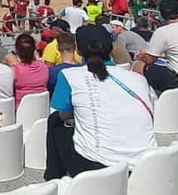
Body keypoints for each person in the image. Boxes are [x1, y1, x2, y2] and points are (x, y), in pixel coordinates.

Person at [45, 25, 157, 179]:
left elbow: (61, 114)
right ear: (111, 48)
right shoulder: (138, 79)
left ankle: (53, 176)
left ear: (78, 50)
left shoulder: (69, 75)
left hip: (98, 167)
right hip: (145, 163)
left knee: (55, 120)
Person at [5, 33, 49, 107]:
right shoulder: (44, 67)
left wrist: (14, 64)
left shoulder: (15, 71)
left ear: (17, 50)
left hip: (20, 111)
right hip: (41, 110)